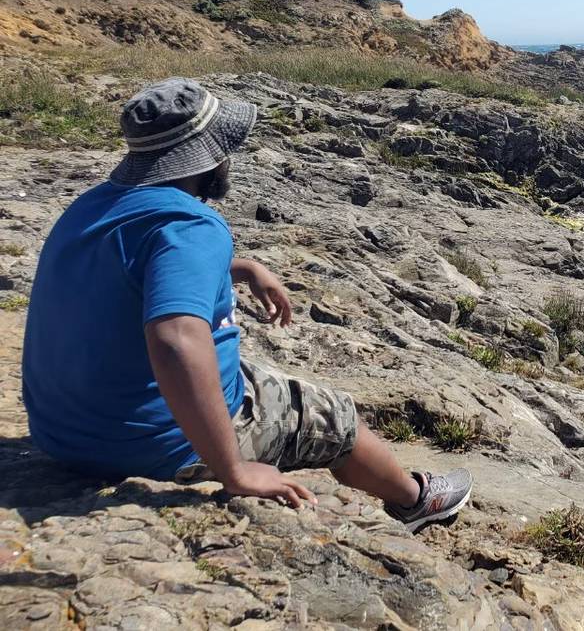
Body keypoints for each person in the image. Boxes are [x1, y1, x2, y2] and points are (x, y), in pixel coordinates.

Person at [22, 78, 471, 531]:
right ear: (207, 154)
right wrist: (234, 469)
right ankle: (417, 501)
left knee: (247, 369)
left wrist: (240, 268)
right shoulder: (191, 223)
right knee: (333, 415)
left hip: (63, 434)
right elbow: (175, 340)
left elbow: (128, 278)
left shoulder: (92, 206)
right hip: (150, 443)